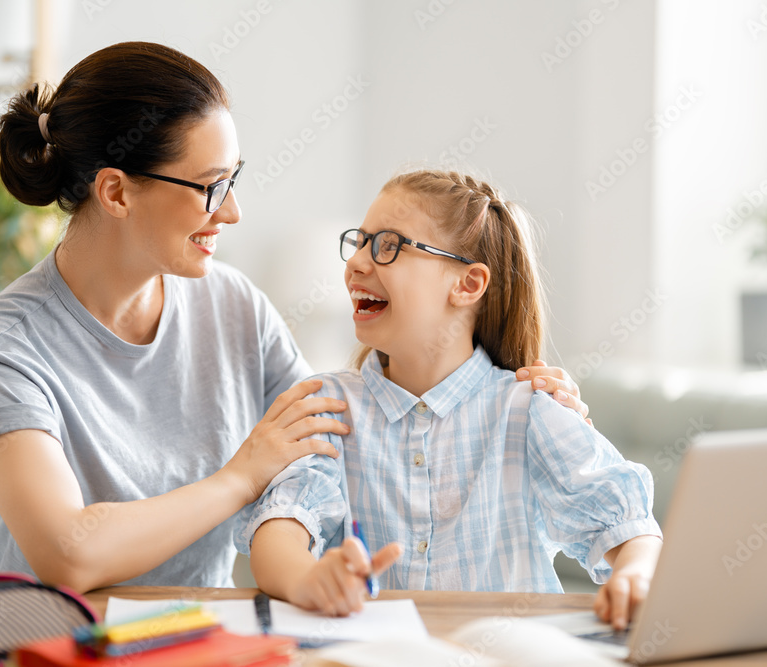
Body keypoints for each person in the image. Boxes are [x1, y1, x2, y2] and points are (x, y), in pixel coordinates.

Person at [0, 42, 587, 594]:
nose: (232, 213)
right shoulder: (5, 349)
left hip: (203, 637)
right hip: (60, 643)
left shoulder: (234, 307)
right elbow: (67, 553)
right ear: (116, 191)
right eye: (210, 186)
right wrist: (239, 477)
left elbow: (340, 438)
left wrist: (519, 414)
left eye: (235, 180)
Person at [237, 170, 663, 631]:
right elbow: (281, 527)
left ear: (468, 284)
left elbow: (627, 528)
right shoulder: (329, 406)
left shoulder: (529, 409)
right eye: (359, 243)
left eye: (387, 246)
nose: (357, 263)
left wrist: (635, 577)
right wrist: (307, 579)